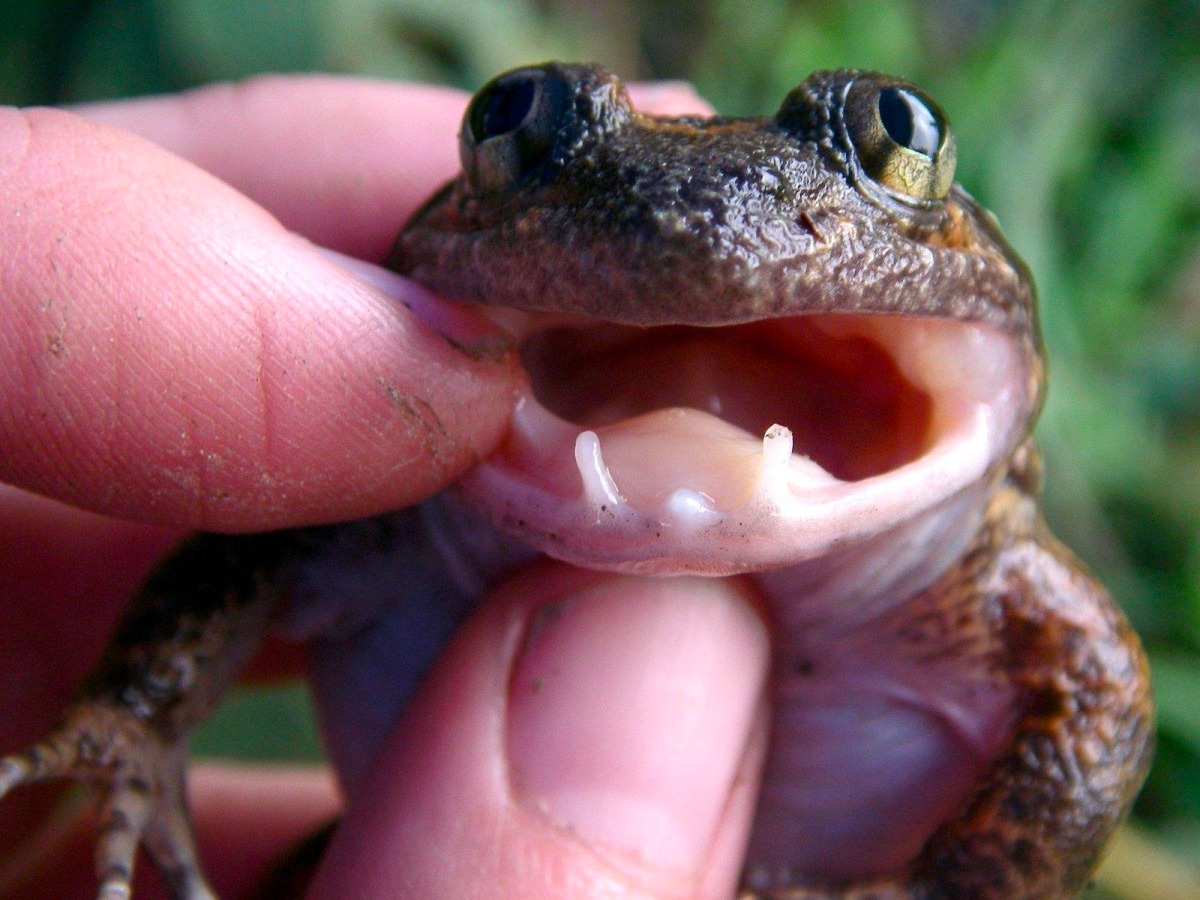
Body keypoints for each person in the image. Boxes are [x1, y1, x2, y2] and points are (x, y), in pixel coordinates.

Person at [0, 77, 773, 900]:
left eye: (892, 145)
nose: (698, 235)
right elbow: (238, 561)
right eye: (522, 132)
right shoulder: (396, 496)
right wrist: (135, 712)